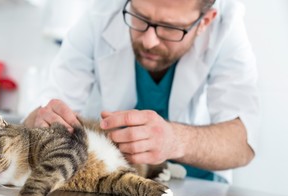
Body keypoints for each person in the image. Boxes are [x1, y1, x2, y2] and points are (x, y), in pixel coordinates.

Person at [23, 0, 259, 183]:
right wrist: (41, 120)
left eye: (170, 28)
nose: (149, 41)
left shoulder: (226, 27)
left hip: (198, 188)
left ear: (205, 21)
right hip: (112, 178)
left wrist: (175, 140)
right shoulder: (103, 13)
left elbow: (243, 144)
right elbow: (46, 108)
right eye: (140, 17)